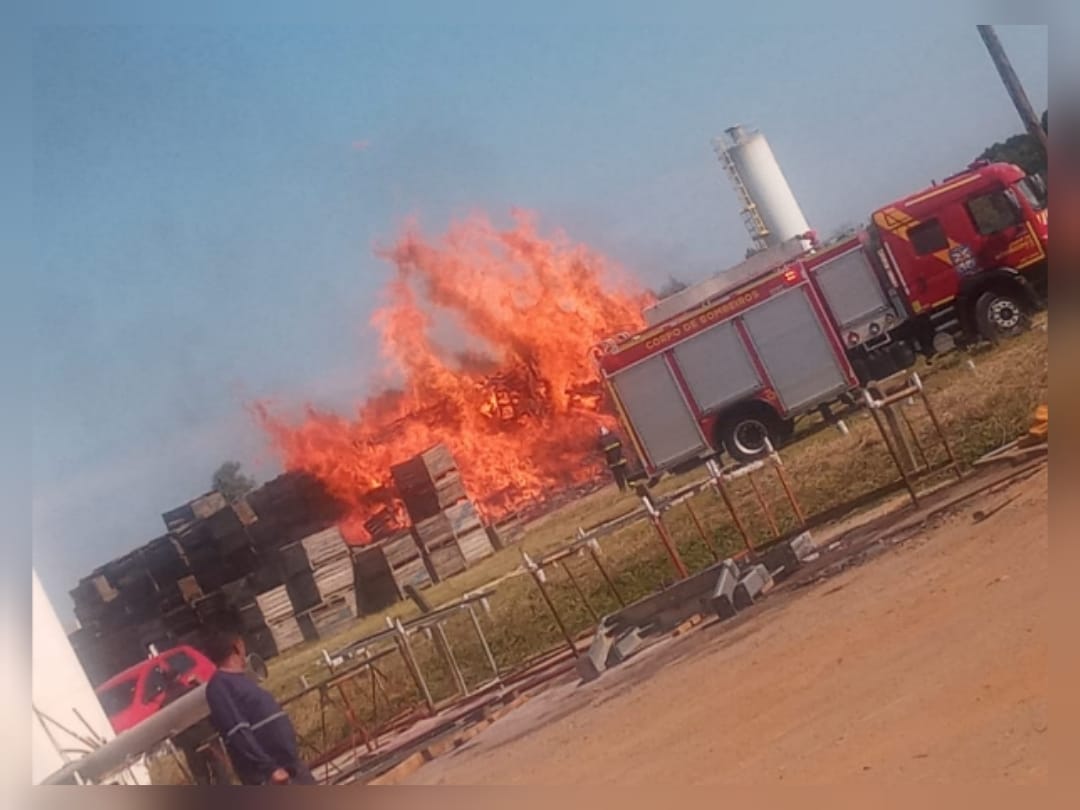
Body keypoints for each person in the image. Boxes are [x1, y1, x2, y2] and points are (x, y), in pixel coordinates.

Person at [202, 628, 316, 785]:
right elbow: (237, 731)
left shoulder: (242, 680)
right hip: (270, 775)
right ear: (237, 647)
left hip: (290, 766)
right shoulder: (219, 686)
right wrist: (270, 768)